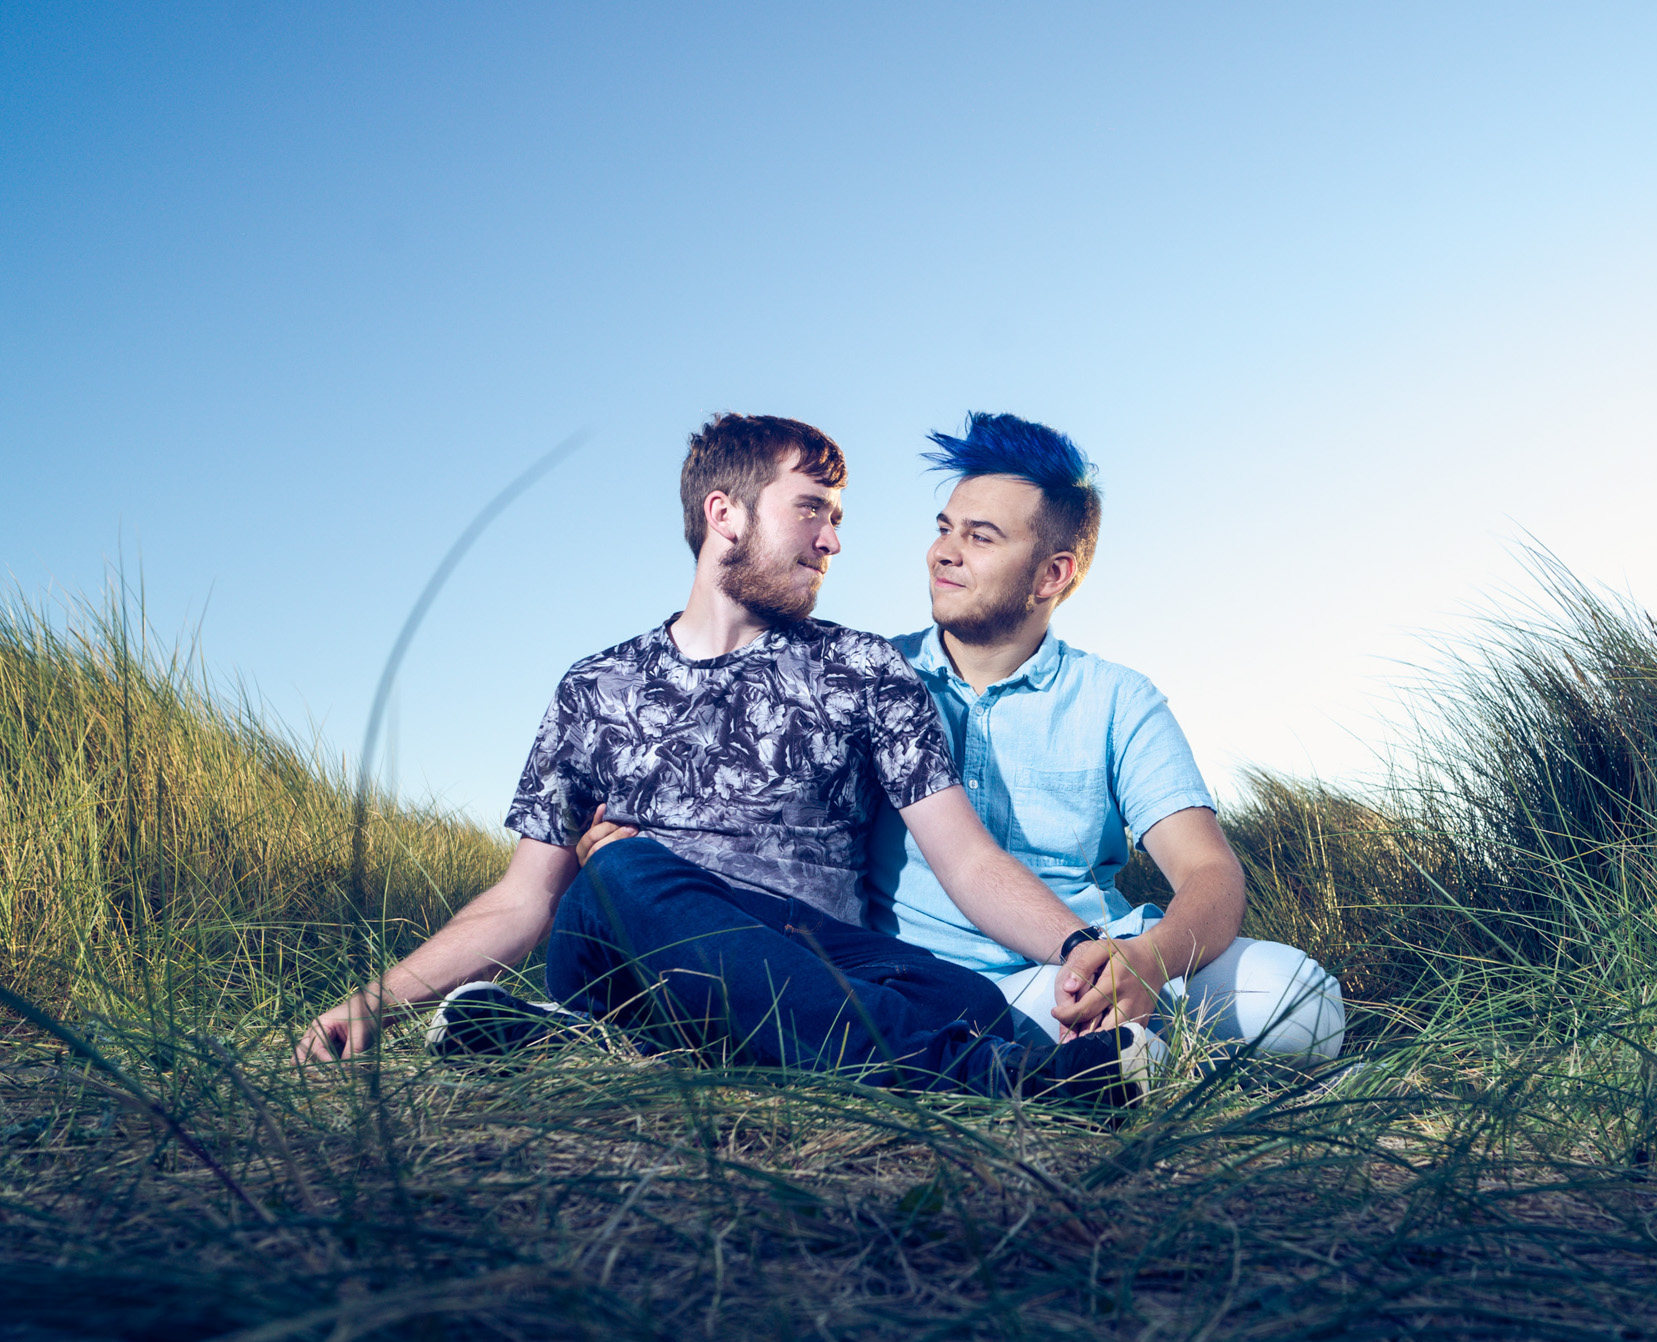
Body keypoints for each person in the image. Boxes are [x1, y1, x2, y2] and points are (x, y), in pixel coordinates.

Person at [296, 413, 1164, 1104]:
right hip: (630, 943)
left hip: (809, 957)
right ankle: (997, 1084)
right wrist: (375, 999)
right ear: (725, 513)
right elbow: (524, 900)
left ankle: (596, 1048)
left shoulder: (865, 669)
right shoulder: (597, 688)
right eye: (812, 509)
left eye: (839, 518)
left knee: (962, 995)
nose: (833, 540)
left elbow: (966, 858)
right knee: (624, 871)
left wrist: (1085, 943)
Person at [864, 413, 1345, 1060]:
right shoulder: (870, 677)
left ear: (1051, 576)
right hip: (942, 984)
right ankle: (1158, 1067)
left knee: (1301, 1000)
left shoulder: (1117, 698)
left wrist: (1148, 959)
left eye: (980, 537)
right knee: (1079, 1035)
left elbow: (1208, 870)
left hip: (1111, 960)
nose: (943, 552)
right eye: (945, 529)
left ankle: (1154, 1058)